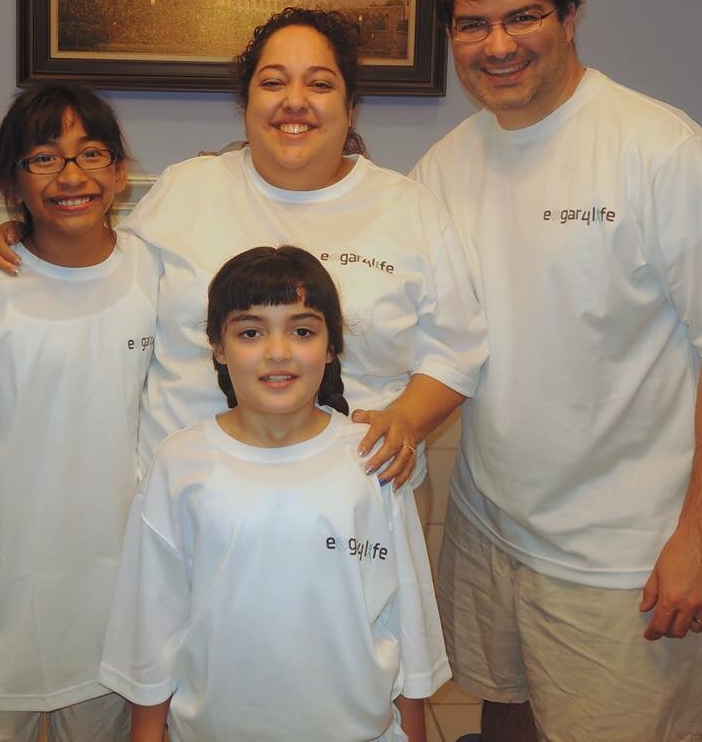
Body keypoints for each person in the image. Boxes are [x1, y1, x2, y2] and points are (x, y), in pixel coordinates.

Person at [410, 0, 702, 741]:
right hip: (488, 522)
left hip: (622, 555)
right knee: (504, 709)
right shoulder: (444, 167)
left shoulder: (659, 149)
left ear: (570, 15)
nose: (497, 45)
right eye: (473, 24)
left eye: (523, 16)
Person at [0, 8, 487, 491]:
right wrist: (29, 236)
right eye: (273, 82)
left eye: (320, 84)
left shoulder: (410, 210)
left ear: (350, 108)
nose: (294, 101)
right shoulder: (186, 190)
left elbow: (456, 350)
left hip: (354, 500)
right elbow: (106, 276)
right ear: (246, 103)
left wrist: (406, 421)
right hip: (186, 499)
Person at [99, 245, 450, 742]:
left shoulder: (371, 459)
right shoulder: (180, 463)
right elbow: (152, 627)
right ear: (218, 347)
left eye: (302, 331)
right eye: (251, 332)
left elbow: (407, 630)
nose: (278, 351)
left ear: (331, 347)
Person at [0, 84, 160, 741]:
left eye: (91, 154)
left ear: (120, 172)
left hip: (114, 597)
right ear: (12, 184)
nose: (71, 176)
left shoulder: (154, 273)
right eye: (44, 158)